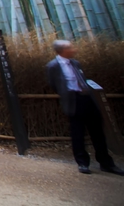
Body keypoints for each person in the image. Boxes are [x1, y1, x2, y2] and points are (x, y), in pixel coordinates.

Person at [46, 40, 124, 175]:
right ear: (62, 50)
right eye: (70, 48)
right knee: (78, 133)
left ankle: (106, 163)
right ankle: (82, 163)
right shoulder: (52, 66)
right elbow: (54, 84)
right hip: (73, 100)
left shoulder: (75, 63)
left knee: (97, 132)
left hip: (87, 98)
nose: (73, 49)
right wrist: (67, 95)